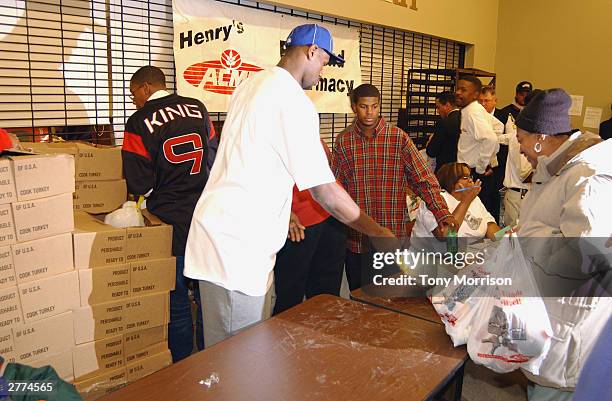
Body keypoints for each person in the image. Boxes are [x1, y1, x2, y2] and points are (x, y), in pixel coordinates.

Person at [184, 24, 394, 347]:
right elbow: (325, 191)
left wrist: (285, 214)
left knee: (244, 354)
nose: (322, 72)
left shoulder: (251, 84)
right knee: (233, 360)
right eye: (324, 62)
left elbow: (255, 161)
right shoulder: (293, 100)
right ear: (311, 52)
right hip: (235, 249)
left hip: (232, 238)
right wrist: (378, 232)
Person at [514, 88, 612, 400]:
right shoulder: (556, 164)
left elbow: (587, 254)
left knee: (552, 388)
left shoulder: (587, 176)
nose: (520, 148)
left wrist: (528, 241)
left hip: (572, 315)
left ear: (540, 137)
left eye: (521, 139)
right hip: (550, 300)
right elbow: (549, 218)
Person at [121, 65, 218, 362]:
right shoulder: (198, 108)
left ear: (146, 88)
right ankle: (210, 357)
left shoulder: (138, 122)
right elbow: (215, 157)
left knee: (175, 300)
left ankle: (180, 365)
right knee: (206, 297)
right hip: (206, 217)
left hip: (169, 221)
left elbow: (139, 183)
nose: (133, 100)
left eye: (133, 93)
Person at [333, 83, 454, 291]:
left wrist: (442, 212)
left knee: (393, 301)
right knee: (360, 299)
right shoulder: (344, 142)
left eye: (374, 106)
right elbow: (335, 190)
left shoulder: (398, 138)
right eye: (363, 106)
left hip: (393, 237)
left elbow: (423, 179)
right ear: (354, 107)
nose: (369, 112)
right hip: (359, 239)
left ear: (380, 106)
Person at [272, 139, 347, 315]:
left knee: (326, 296)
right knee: (290, 296)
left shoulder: (310, 132)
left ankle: (323, 336)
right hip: (299, 224)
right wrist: (285, 213)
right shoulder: (269, 135)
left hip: (330, 217)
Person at [411, 162, 500, 241]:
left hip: (471, 253)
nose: (470, 180)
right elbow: (445, 235)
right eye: (465, 177)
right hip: (431, 257)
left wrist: (508, 236)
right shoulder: (435, 199)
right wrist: (466, 201)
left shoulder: (475, 199)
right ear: (451, 181)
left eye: (470, 176)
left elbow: (489, 225)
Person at [454, 76, 499, 219]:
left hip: (475, 174)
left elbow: (490, 138)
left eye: (463, 90)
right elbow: (498, 126)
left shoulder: (473, 112)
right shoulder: (472, 110)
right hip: (472, 171)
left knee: (479, 216)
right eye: (457, 88)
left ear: (475, 95)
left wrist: (481, 167)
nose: (458, 93)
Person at [478, 85, 507, 223]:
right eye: (480, 101)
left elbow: (509, 142)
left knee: (494, 202)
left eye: (487, 101)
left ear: (495, 100)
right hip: (478, 166)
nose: (483, 104)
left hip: (498, 167)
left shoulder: (504, 116)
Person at [426, 91, 460, 173]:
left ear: (447, 105)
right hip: (462, 169)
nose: (437, 111)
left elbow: (431, 151)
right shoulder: (466, 119)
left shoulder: (444, 123)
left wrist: (430, 141)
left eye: (438, 107)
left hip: (445, 170)